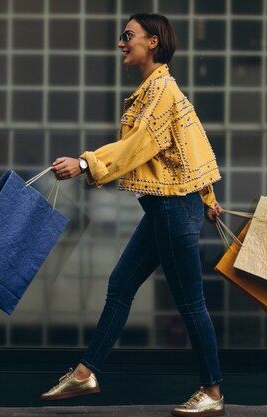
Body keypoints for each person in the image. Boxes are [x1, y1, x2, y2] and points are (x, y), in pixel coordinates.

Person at [42, 13, 225, 417]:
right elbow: (191, 141)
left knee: (191, 304)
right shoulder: (157, 89)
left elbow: (139, 145)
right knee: (121, 284)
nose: (121, 43)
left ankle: (212, 391)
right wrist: (209, 196)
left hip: (174, 208)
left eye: (128, 36)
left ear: (153, 42)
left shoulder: (161, 90)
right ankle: (86, 373)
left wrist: (86, 164)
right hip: (169, 207)